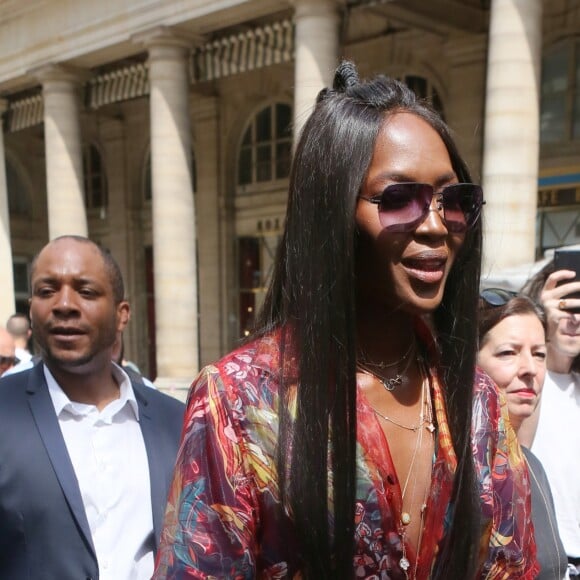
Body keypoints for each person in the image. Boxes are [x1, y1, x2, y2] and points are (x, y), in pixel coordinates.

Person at [154, 62, 537, 579]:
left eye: (453, 200)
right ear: (332, 212)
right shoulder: (241, 402)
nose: (435, 226)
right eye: (399, 199)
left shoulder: (477, 403)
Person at [0, 235, 185, 580]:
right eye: (47, 291)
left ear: (121, 315)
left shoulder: (175, 422)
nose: (64, 304)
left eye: (85, 291)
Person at [477, 289, 568, 579]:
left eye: (539, 354)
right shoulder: (452, 467)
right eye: (508, 353)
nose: (529, 369)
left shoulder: (531, 466)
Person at [521, 259, 580, 575]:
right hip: (547, 564)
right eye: (567, 305)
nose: (574, 319)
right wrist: (541, 324)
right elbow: (520, 451)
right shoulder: (525, 380)